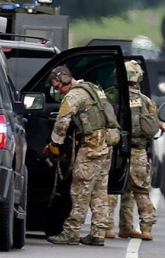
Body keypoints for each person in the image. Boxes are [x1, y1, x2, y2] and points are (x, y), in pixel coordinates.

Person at [44, 65, 120, 246]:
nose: (59, 91)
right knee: (100, 191)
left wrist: (55, 144)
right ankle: (98, 233)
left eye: (58, 87)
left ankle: (71, 232)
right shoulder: (94, 89)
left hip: (91, 147)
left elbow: (62, 121)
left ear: (64, 79)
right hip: (106, 145)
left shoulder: (74, 95)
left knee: (80, 190)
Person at [105, 60, 165, 240]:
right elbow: (154, 123)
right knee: (139, 191)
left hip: (116, 151)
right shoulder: (146, 100)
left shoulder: (111, 96)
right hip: (139, 153)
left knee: (111, 188)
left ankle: (106, 228)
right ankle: (144, 228)